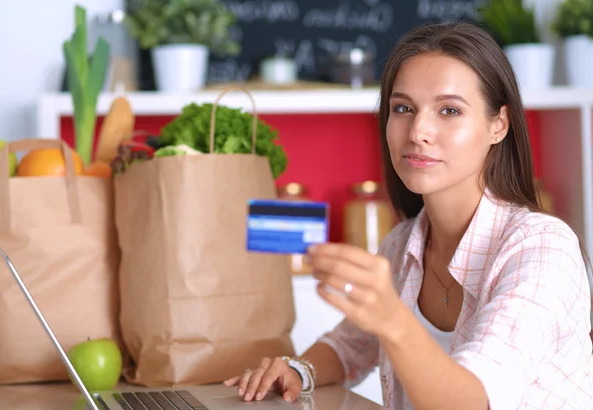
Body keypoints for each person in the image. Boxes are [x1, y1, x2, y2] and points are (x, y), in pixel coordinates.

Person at [224, 21, 593, 409]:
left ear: (498, 125)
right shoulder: (401, 244)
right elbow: (350, 346)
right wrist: (297, 370)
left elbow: (472, 401)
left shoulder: (542, 248)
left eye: (449, 110)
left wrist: (392, 320)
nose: (418, 131)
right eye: (403, 108)